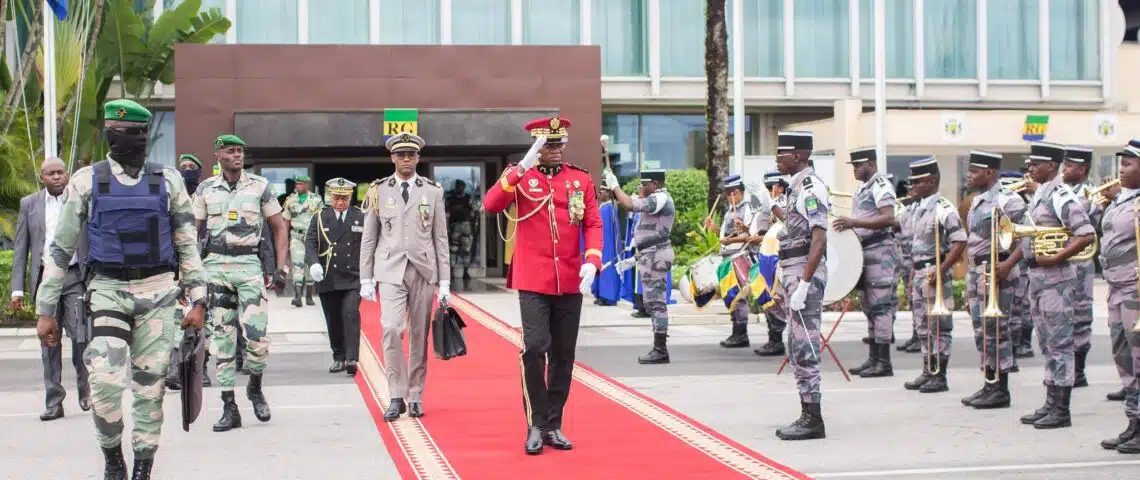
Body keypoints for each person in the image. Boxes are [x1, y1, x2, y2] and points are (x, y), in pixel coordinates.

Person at [35, 99, 208, 479]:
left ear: (143, 136)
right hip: (108, 291)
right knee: (105, 383)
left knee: (150, 390)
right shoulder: (87, 180)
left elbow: (186, 243)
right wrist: (46, 309)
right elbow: (61, 249)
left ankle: (143, 468)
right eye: (114, 133)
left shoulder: (168, 180)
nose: (120, 141)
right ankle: (113, 459)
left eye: (128, 134)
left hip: (159, 293)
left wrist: (198, 299)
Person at [482, 116, 602, 454]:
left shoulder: (579, 179)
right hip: (533, 279)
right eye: (547, 145)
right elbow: (491, 204)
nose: (554, 150)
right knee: (535, 348)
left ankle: (554, 423)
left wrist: (592, 261)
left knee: (564, 355)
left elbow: (592, 222)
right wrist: (522, 165)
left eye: (558, 143)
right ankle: (535, 422)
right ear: (536, 147)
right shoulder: (521, 177)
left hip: (569, 278)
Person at [193, 134, 290, 433]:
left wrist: (281, 267)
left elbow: (279, 227)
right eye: (231, 151)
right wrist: (191, 276)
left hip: (249, 267)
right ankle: (228, 407)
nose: (237, 156)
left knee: (257, 338)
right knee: (221, 341)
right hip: (215, 269)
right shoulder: (205, 189)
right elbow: (192, 233)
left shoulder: (260, 186)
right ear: (218, 154)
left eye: (240, 151)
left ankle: (255, 387)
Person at [359, 133, 450, 421]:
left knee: (419, 335)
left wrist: (445, 281)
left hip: (423, 269)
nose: (406, 159)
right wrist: (366, 277)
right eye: (401, 155)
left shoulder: (433, 192)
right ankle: (396, 395)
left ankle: (416, 395)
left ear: (418, 158)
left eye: (411, 154)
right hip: (390, 270)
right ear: (392, 158)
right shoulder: (378, 191)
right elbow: (369, 238)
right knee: (391, 328)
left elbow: (441, 239)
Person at [1017, 142, 1095, 430]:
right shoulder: (1041, 193)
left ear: (1051, 166)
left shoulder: (1061, 195)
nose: (1030, 168)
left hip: (1056, 281)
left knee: (1060, 345)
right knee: (1047, 343)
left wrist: (1056, 257)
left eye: (1035, 164)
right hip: (1039, 280)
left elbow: (1085, 234)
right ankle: (1050, 401)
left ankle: (1062, 409)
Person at [12, 157, 90, 421]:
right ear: (42, 177)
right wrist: (17, 291)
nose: (57, 177)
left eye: (61, 172)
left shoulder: (79, 199)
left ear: (67, 175)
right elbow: (21, 249)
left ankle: (86, 391)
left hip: (75, 277)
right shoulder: (29, 204)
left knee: (81, 338)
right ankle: (54, 402)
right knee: (49, 343)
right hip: (46, 281)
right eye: (51, 174)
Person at [772, 131, 829, 441]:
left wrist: (805, 284)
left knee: (805, 346)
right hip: (792, 270)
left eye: (781, 154)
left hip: (804, 272)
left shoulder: (811, 187)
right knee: (796, 346)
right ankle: (807, 412)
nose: (777, 159)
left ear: (797, 156)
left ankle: (813, 419)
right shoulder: (795, 189)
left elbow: (819, 238)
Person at [960, 151, 1027, 409]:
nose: (969, 175)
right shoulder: (977, 201)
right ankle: (989, 383)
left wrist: (1008, 264)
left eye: (974, 171)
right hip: (979, 272)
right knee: (982, 331)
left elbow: (1026, 238)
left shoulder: (1010, 201)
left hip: (999, 270)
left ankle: (1001, 389)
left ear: (990, 172)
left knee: (997, 331)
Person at [833, 147, 900, 378]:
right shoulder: (865, 187)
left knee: (881, 307)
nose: (854, 170)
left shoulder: (880, 185)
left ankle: (884, 361)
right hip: (867, 252)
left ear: (870, 164)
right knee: (870, 306)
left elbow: (889, 217)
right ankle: (873, 359)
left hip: (880, 251)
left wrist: (853, 221)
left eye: (857, 165)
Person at [902, 157, 966, 395]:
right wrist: (912, 276)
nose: (912, 186)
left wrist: (942, 268)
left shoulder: (943, 208)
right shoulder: (918, 208)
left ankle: (940, 375)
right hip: (919, 271)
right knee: (923, 326)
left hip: (934, 272)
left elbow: (959, 241)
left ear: (931, 181)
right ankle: (929, 370)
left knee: (939, 326)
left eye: (917, 181)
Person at [605, 169, 675, 364]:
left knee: (656, 303)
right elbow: (649, 234)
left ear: (654, 183)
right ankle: (659, 346)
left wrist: (615, 185)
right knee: (652, 302)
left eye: (644, 184)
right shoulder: (655, 200)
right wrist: (634, 259)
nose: (641, 188)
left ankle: (660, 349)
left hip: (656, 255)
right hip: (649, 254)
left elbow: (628, 204)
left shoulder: (660, 198)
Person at [1098, 142, 1140, 453]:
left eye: (1128, 164)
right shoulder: (1122, 200)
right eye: (1121, 164)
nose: (1121, 170)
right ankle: (1134, 421)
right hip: (1116, 287)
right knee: (1123, 356)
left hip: (1136, 289)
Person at [308, 178, 365, 375]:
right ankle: (338, 356)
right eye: (337, 197)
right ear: (330, 196)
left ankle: (351, 358)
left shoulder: (361, 217)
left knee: (350, 314)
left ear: (350, 197)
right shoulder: (320, 217)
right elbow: (311, 242)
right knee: (333, 319)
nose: (340, 202)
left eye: (344, 198)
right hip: (328, 276)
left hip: (352, 277)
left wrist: (370, 275)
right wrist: (313, 262)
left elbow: (369, 246)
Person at [1061, 145, 1100, 388]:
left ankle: (1079, 371)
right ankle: (1065, 369)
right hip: (1062, 261)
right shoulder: (1060, 191)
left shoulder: (1089, 194)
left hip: (1081, 264)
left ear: (1082, 169)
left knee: (1081, 315)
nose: (1064, 169)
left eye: (1069, 166)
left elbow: (1082, 217)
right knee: (1063, 316)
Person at [711, 175, 760, 349]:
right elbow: (728, 235)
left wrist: (729, 241)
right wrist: (715, 229)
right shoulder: (730, 211)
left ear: (739, 192)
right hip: (728, 257)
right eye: (727, 194)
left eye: (731, 193)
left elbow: (748, 235)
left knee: (739, 296)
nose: (728, 197)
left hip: (739, 256)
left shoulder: (746, 209)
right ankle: (736, 331)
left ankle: (741, 334)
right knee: (731, 295)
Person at [999, 171, 1036, 360]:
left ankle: (1023, 344)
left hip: (1020, 260)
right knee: (1015, 306)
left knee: (1021, 305)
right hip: (1011, 258)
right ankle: (1015, 346)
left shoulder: (1024, 207)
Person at [281, 176, 324, 307]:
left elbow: (321, 220)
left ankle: (309, 296)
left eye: (300, 184)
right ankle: (298, 296)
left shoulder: (316, 200)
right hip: (297, 237)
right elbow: (286, 222)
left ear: (307, 185)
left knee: (310, 265)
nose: (297, 186)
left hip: (312, 238)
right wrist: (285, 240)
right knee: (297, 265)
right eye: (297, 184)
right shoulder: (290, 200)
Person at [592, 187, 621, 306]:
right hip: (600, 243)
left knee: (607, 269)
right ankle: (600, 294)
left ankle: (607, 296)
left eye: (601, 191)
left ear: (608, 193)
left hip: (608, 244)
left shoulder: (611, 208)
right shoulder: (602, 207)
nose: (599, 194)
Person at [445, 179, 477, 280]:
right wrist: (447, 229)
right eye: (458, 186)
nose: (459, 188)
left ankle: (466, 272)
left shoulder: (468, 198)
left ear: (463, 187)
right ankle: (451, 272)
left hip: (466, 227)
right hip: (454, 227)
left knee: (466, 251)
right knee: (453, 250)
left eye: (461, 186)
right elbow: (446, 214)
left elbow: (476, 211)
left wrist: (475, 224)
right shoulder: (450, 199)